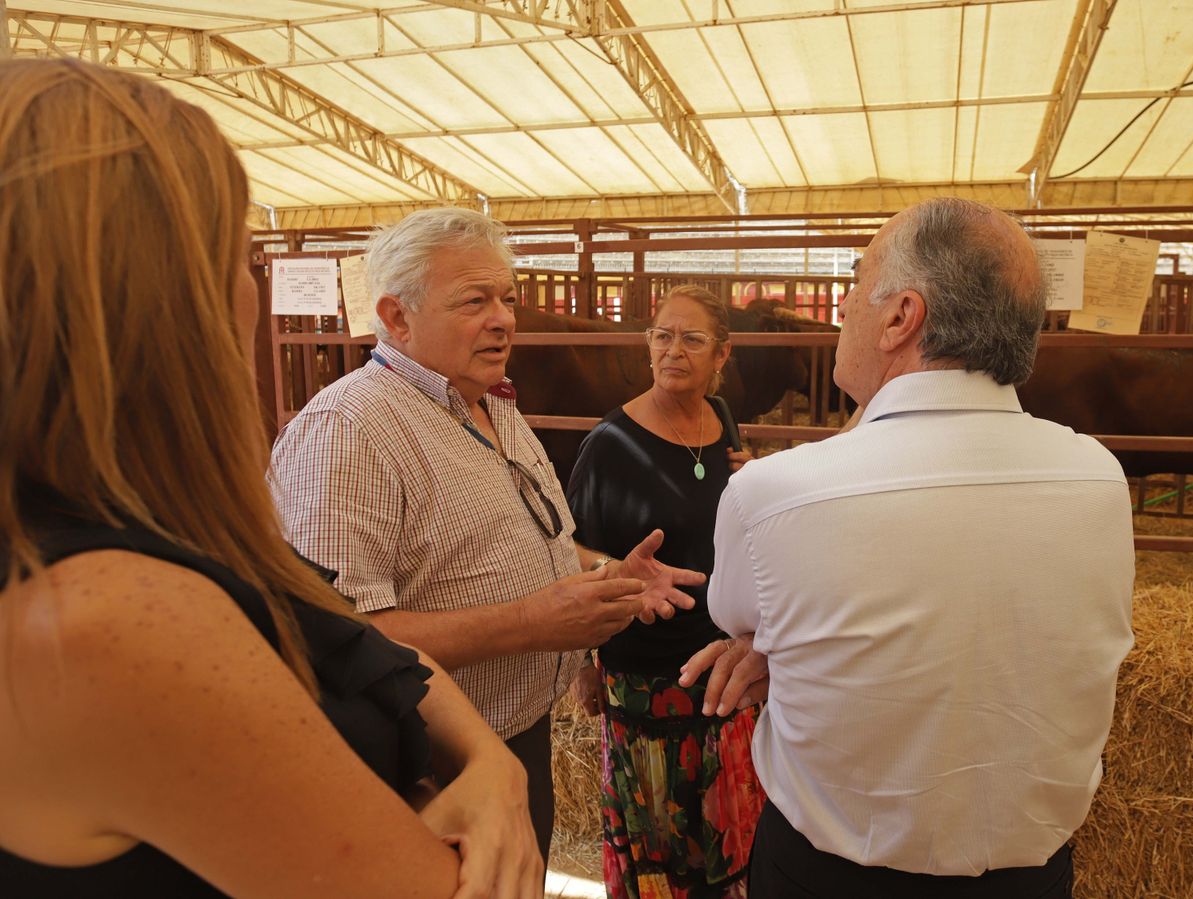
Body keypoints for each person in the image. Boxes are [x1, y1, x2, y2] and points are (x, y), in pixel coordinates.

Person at [0, 59, 538, 898]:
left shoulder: (138, 523)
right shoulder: (105, 616)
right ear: (164, 295)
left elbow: (347, 627)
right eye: (236, 254)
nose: (250, 292)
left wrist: (490, 763)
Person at [682, 198, 1136, 898]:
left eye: (857, 282)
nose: (840, 307)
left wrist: (789, 651)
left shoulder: (773, 494)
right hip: (1031, 880)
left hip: (828, 877)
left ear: (901, 317)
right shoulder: (1099, 479)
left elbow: (743, 624)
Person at [269, 207, 704, 866]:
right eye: (475, 301)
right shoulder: (351, 432)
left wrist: (603, 568)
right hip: (421, 772)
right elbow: (339, 638)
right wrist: (532, 621)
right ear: (396, 317)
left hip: (512, 740)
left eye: (507, 297)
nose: (503, 317)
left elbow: (521, 534)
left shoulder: (490, 404)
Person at [564, 286, 765, 899]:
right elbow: (567, 550)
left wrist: (752, 477)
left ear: (721, 355)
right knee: (661, 851)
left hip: (724, 675)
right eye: (662, 335)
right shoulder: (610, 446)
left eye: (692, 339)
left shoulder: (721, 419)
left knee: (728, 843)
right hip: (647, 681)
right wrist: (584, 661)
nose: (673, 350)